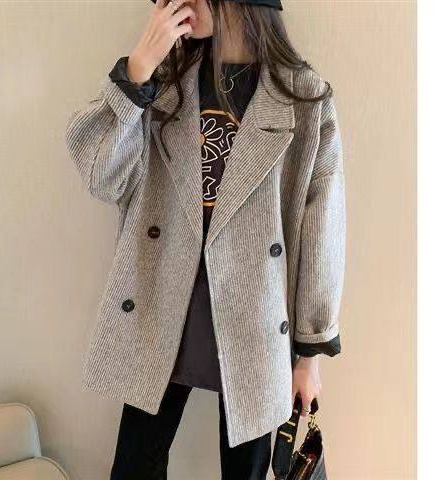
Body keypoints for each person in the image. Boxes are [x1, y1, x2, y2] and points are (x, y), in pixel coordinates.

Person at [65, 0, 345, 478]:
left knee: (246, 473)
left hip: (256, 321)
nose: (173, 5)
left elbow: (321, 231)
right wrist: (137, 69)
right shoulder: (164, 84)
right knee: (134, 466)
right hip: (163, 307)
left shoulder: (303, 99)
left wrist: (308, 356)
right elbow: (102, 178)